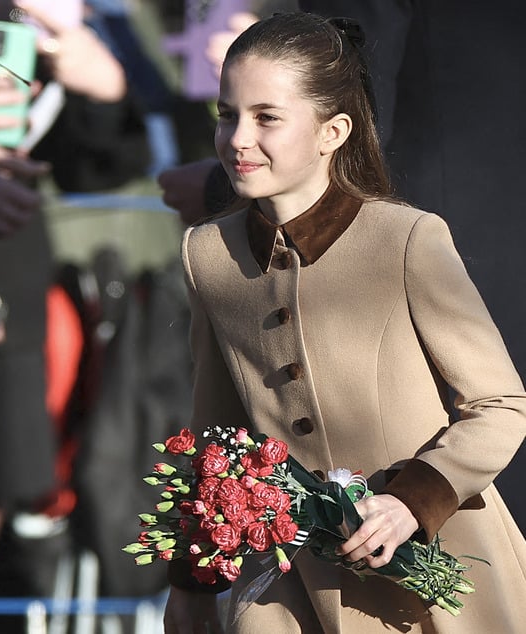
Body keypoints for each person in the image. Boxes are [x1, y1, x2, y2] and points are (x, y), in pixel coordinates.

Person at [163, 12, 526, 634]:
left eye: (267, 117)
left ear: (333, 132)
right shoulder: (207, 254)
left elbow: (501, 405)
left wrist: (411, 503)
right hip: (288, 590)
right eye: (227, 115)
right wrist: (192, 581)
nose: (238, 138)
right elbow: (215, 433)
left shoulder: (406, 239)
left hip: (434, 580)